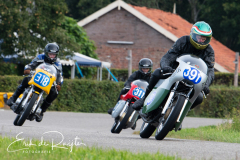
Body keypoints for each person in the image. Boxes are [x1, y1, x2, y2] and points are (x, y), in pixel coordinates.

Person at [132, 21, 215, 112]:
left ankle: (179, 114)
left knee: (199, 98)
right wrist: (166, 67)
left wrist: (206, 84)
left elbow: (210, 70)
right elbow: (169, 56)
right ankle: (144, 98)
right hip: (174, 72)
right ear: (193, 35)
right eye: (199, 38)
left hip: (193, 80)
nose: (200, 41)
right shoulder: (183, 41)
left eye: (204, 39)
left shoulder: (209, 51)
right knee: (156, 73)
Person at [7, 43, 63, 121]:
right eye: (50, 54)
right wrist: (28, 68)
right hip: (37, 77)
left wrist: (59, 83)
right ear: (46, 52)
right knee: (26, 79)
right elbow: (32, 64)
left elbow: (60, 75)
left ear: (56, 55)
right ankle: (13, 98)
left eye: (54, 54)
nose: (52, 56)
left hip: (47, 82)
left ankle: (42, 111)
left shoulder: (58, 63)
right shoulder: (40, 57)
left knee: (55, 92)